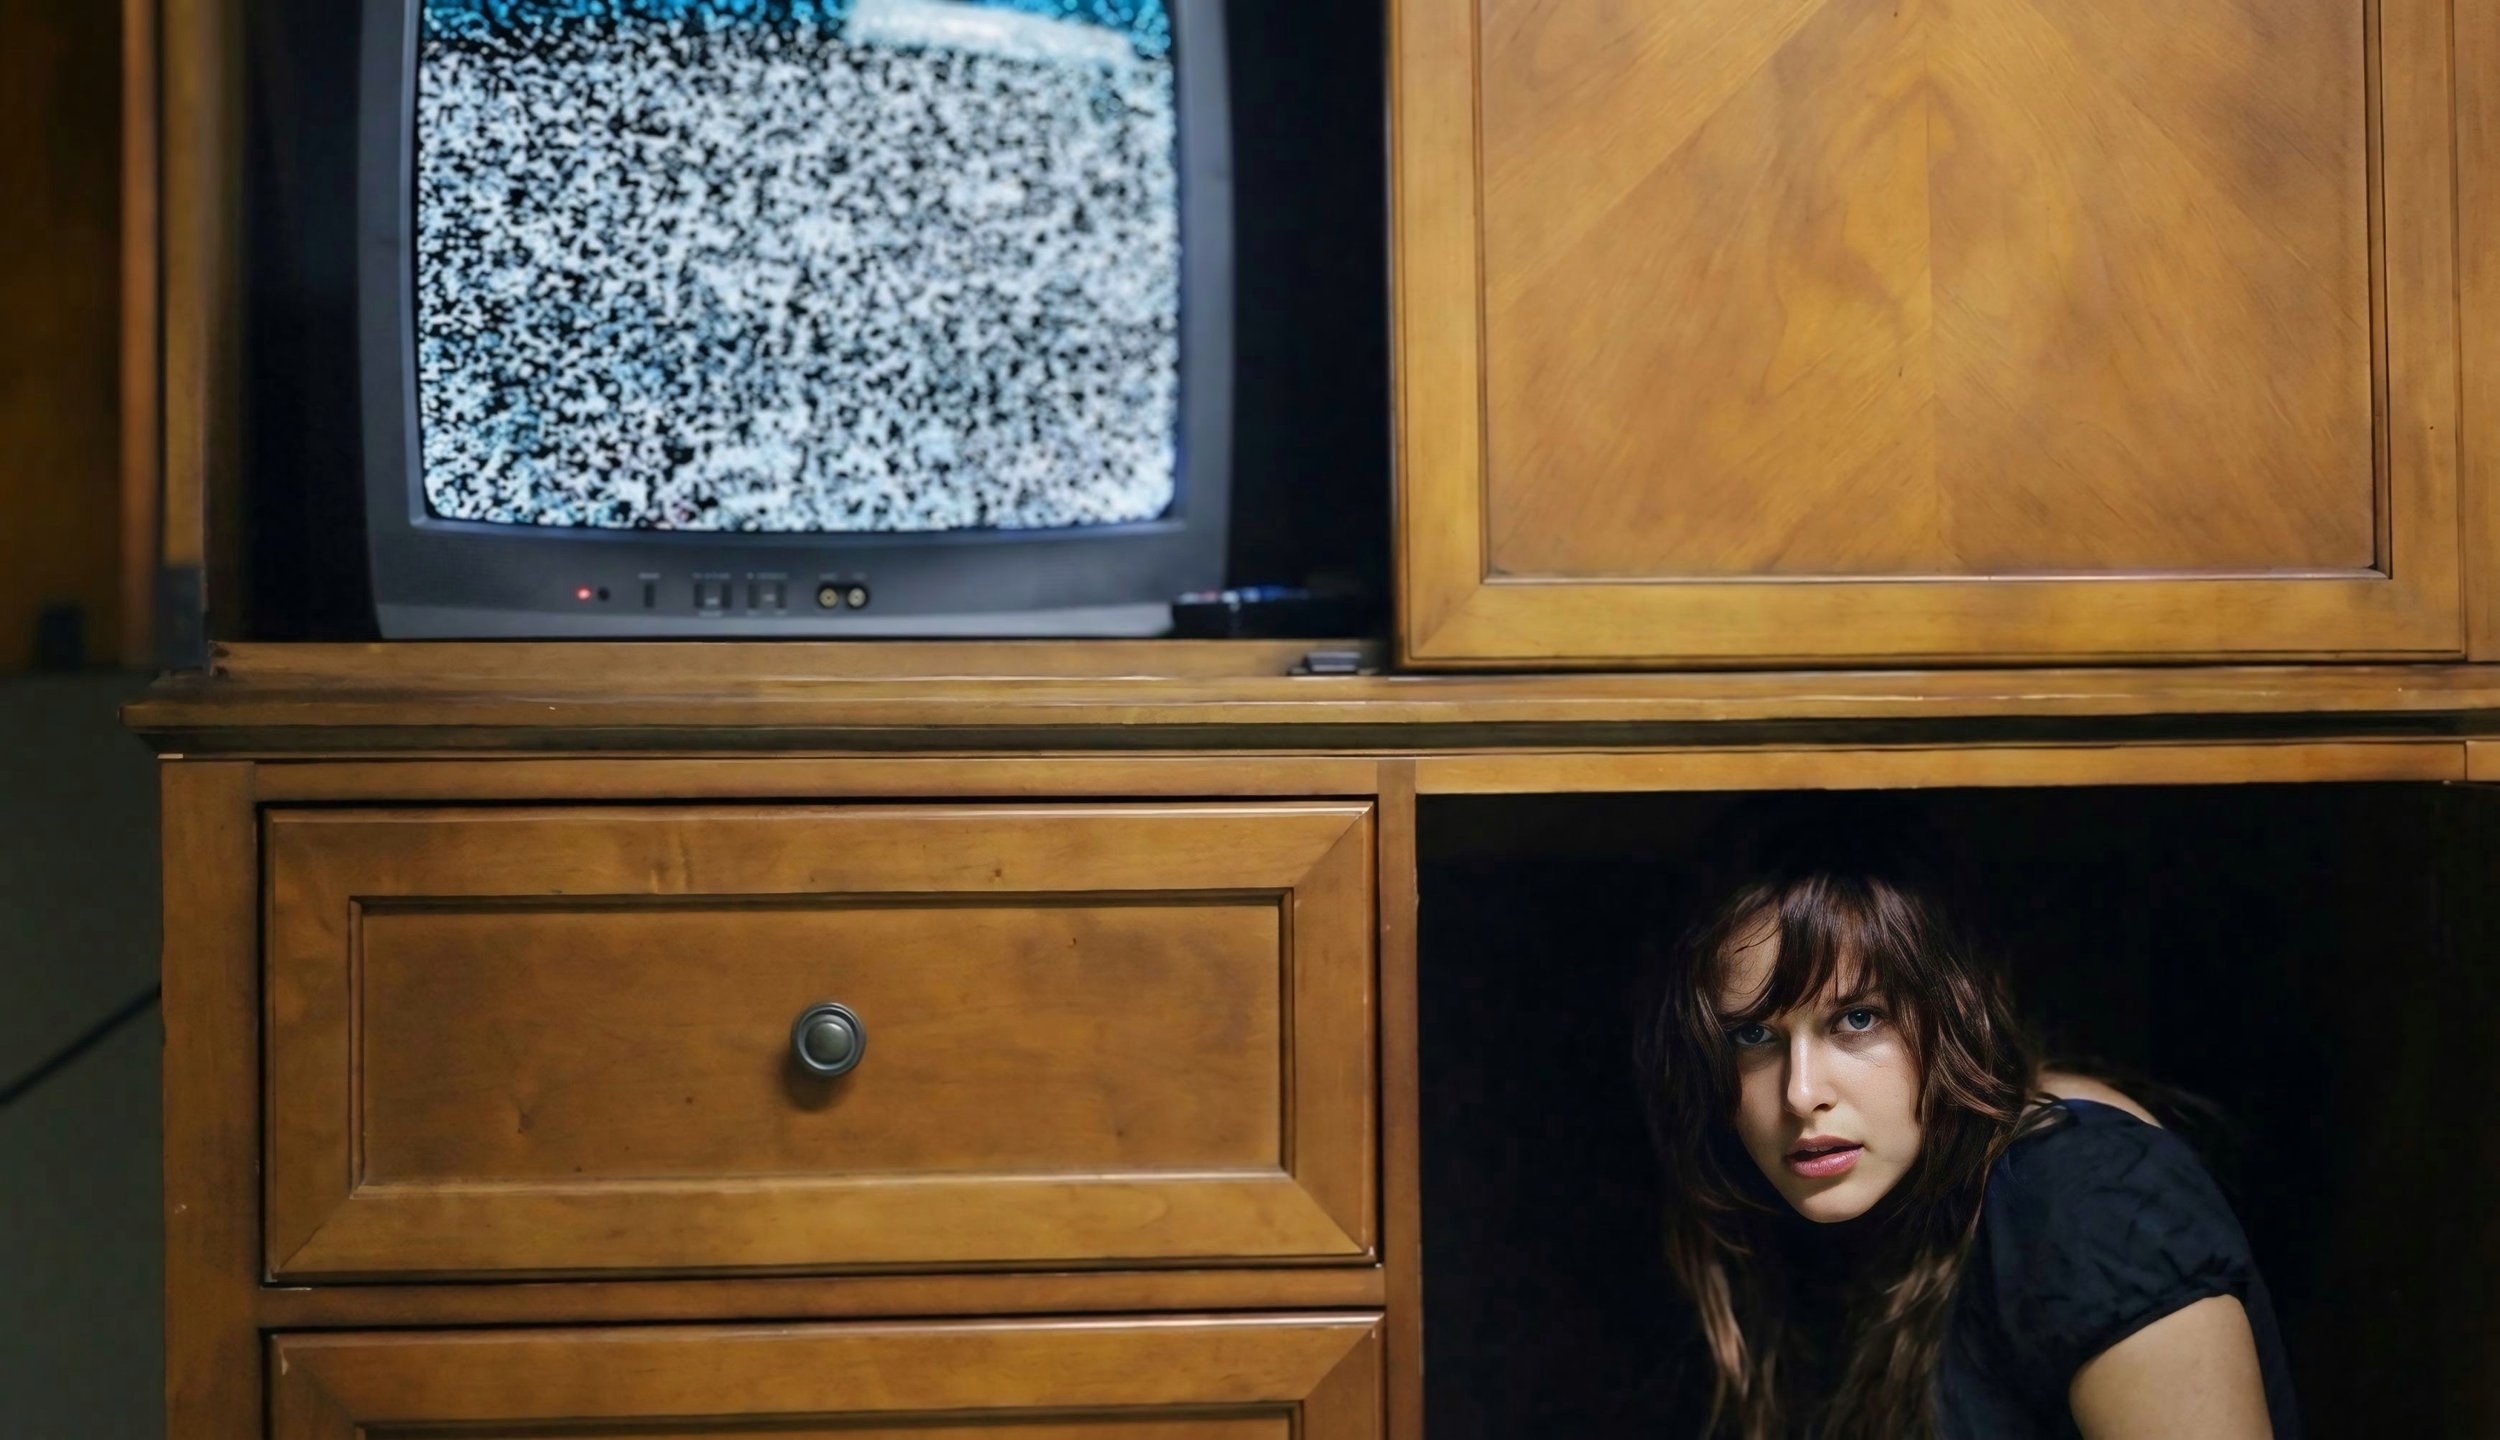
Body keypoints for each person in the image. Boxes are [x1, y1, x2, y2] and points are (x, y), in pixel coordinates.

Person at [1630, 797, 2299, 1439]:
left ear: (1954, 1009)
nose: (1801, 1094)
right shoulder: (1831, 1209)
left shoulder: (2089, 1201)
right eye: (1753, 1035)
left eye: (1857, 1019)